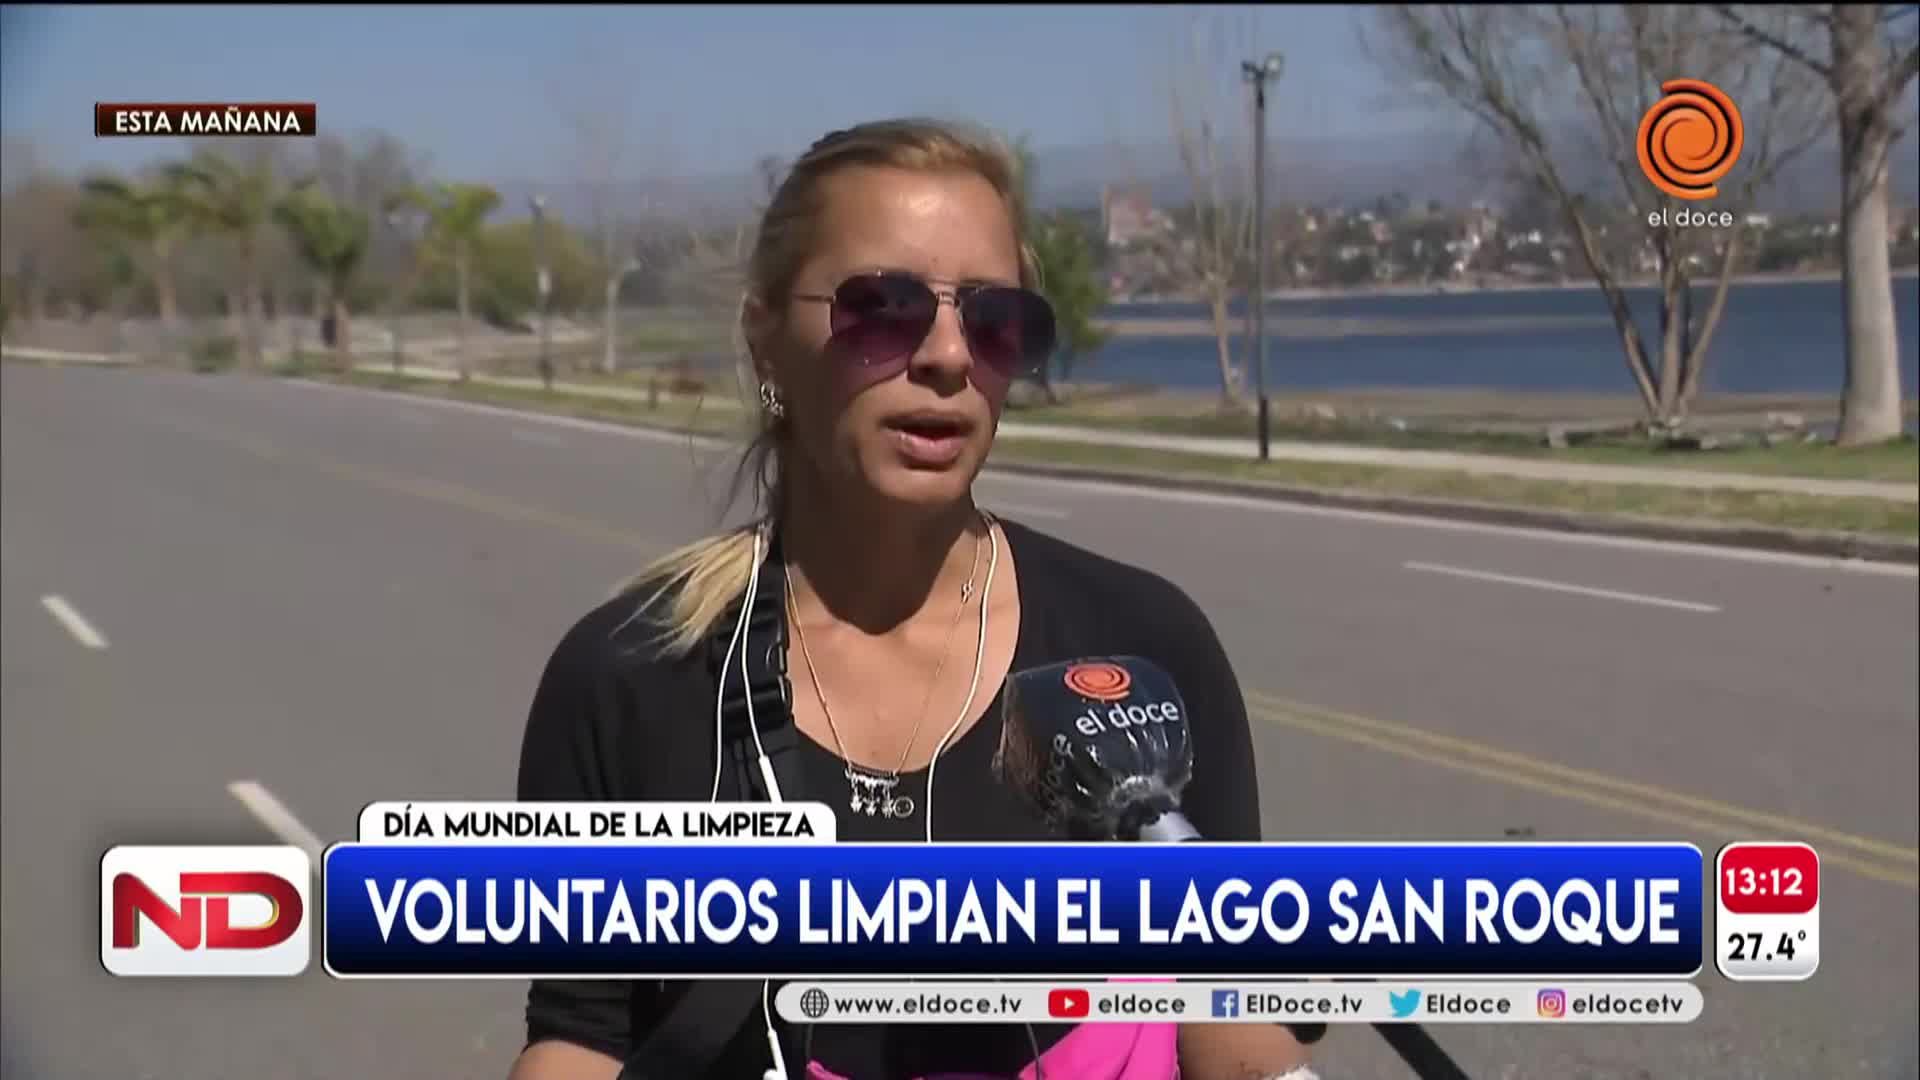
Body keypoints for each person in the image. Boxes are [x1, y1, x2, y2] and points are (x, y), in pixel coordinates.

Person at [509, 117, 1316, 1080]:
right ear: (766, 339)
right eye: (882, 308)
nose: (945, 356)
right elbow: (581, 1041)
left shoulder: (1143, 646)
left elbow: (1230, 1018)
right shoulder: (634, 676)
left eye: (996, 320)